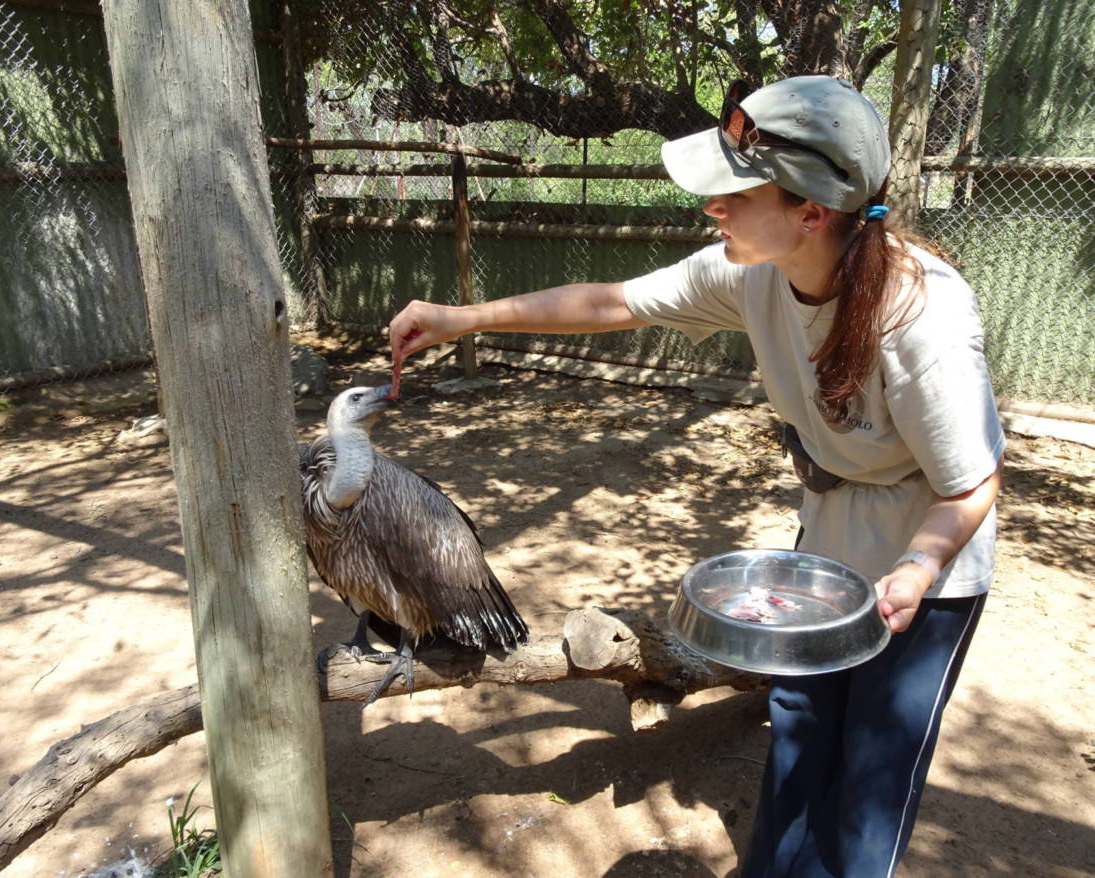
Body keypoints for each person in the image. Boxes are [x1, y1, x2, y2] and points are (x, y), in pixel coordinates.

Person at [389, 75, 1005, 877]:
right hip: (825, 553)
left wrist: (917, 570)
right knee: (799, 741)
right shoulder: (751, 271)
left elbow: (969, 485)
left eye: (732, 193)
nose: (711, 208)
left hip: (930, 570)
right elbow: (614, 302)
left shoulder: (922, 315)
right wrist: (463, 317)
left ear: (809, 212)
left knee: (870, 782)